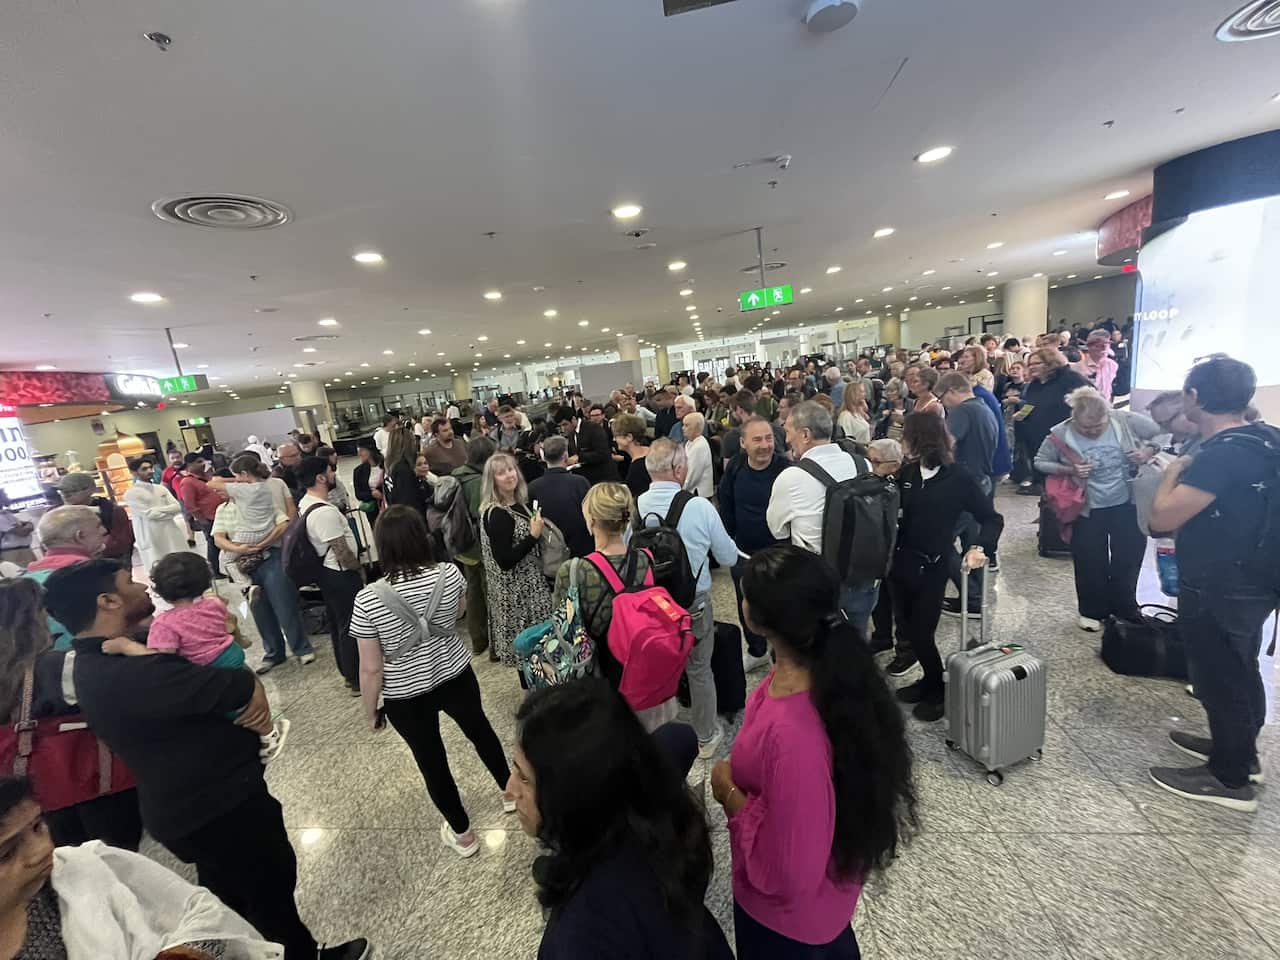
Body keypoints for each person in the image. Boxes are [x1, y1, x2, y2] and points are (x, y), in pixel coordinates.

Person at [40, 560, 370, 959]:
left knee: (233, 892)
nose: (144, 587)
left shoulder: (105, 659)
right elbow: (228, 684)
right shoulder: (133, 673)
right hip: (217, 806)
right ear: (107, 600)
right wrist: (249, 684)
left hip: (194, 803)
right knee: (267, 889)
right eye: (130, 582)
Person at [711, 545, 917, 958]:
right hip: (824, 899)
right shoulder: (823, 676)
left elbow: (790, 871)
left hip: (787, 925)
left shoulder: (793, 738)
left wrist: (728, 792)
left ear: (755, 617)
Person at [509, 681, 733, 960]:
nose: (510, 790)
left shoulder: (579, 935)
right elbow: (681, 737)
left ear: (570, 795)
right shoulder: (651, 807)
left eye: (524, 778)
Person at [1147, 358, 1279, 812]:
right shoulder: (1267, 437)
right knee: (1240, 668)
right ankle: (1239, 752)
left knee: (1220, 676)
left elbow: (1161, 520)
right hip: (1256, 579)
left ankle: (1230, 777)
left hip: (1222, 581)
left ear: (1194, 398)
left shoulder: (1222, 453)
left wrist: (1168, 477)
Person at [350, 506, 513, 857]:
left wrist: (370, 710)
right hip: (454, 673)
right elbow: (457, 615)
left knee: (431, 760)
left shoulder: (367, 599)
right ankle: (511, 792)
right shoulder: (449, 574)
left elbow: (370, 668)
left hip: (406, 694)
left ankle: (464, 834)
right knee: (481, 731)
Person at [0, 775, 289, 959]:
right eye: (6, 853)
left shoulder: (86, 865)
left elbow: (198, 909)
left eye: (38, 827)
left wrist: (185, 952)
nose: (42, 850)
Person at [0, 579, 143, 852]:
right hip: (90, 786)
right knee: (114, 856)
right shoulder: (57, 667)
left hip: (27, 797)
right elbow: (129, 689)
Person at [889, 414, 1003, 720]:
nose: (901, 440)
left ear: (919, 439)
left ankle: (939, 687)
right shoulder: (908, 473)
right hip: (901, 564)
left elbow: (992, 518)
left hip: (933, 565)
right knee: (909, 629)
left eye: (905, 435)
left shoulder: (958, 478)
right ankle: (929, 678)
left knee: (923, 631)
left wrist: (979, 547)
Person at [128, 552, 288, 760]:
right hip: (231, 656)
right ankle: (268, 730)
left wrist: (126, 647)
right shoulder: (214, 604)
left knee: (236, 710)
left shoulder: (164, 624)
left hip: (209, 670)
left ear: (160, 590)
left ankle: (267, 736)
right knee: (247, 696)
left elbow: (161, 657)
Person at [638, 440, 740, 758]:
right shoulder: (699, 507)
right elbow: (727, 556)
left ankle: (660, 730)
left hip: (653, 603)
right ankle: (706, 737)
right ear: (679, 469)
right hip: (692, 602)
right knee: (699, 668)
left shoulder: (636, 505)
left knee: (658, 666)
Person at [1033, 387, 1160, 631]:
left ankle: (1125, 606)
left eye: (1098, 427)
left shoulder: (1124, 420)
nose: (1092, 432)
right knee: (1089, 558)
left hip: (1127, 501)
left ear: (1108, 415)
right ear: (1074, 419)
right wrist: (1069, 469)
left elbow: (1163, 432)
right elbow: (1040, 461)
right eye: (1085, 428)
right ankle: (1092, 610)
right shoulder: (1059, 433)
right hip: (1086, 506)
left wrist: (1147, 451)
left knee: (1129, 556)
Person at [766, 401, 879, 636]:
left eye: (788, 431)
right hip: (865, 574)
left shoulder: (792, 477)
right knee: (856, 640)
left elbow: (777, 530)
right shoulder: (863, 463)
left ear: (805, 434)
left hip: (820, 581)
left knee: (819, 651)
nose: (786, 439)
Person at [211, 492, 313, 674]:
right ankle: (274, 652)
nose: (219, 492)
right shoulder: (222, 510)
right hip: (243, 560)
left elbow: (284, 523)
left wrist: (263, 542)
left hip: (269, 555)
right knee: (259, 607)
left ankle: (301, 648)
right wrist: (238, 548)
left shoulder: (259, 502)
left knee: (284, 604)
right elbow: (218, 538)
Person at [718, 417, 789, 674]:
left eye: (768, 438)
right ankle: (756, 650)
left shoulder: (786, 469)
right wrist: (729, 538)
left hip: (779, 554)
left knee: (782, 606)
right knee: (746, 603)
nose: (764, 445)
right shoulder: (736, 466)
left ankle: (783, 653)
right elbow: (725, 503)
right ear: (743, 443)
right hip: (743, 552)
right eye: (757, 439)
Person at [479, 452, 553, 680]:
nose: (509, 475)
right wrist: (533, 536)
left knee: (536, 648)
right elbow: (505, 561)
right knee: (529, 648)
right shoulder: (498, 514)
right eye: (501, 473)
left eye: (511, 469)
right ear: (493, 480)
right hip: (519, 595)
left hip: (529, 588)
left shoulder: (518, 504)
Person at [298, 456, 364, 691]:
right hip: (340, 574)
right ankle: (356, 675)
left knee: (339, 624)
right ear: (320, 477)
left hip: (329, 574)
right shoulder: (324, 512)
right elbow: (341, 551)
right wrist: (359, 569)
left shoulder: (306, 503)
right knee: (351, 626)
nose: (334, 474)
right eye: (330, 471)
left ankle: (349, 671)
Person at [936, 372, 1000, 613]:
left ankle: (971, 597)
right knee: (974, 543)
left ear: (952, 390)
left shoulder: (962, 411)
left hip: (963, 486)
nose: (942, 403)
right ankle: (976, 596)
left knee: (941, 539)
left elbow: (946, 445)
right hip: (980, 483)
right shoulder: (985, 407)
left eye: (942, 398)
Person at [1014, 346, 1090, 491]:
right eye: (1030, 364)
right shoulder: (1034, 384)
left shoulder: (1071, 379)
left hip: (1067, 440)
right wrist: (1022, 414)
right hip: (1040, 440)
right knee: (1045, 483)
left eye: (1037, 363)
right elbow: (1032, 404)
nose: (1032, 367)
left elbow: (1090, 404)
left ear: (1051, 363)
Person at [452, 437, 494, 656]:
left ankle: (478, 641)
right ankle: (495, 645)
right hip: (479, 546)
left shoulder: (457, 474)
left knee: (473, 593)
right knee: (490, 594)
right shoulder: (478, 481)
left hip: (462, 544)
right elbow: (483, 516)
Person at [528, 435, 593, 558]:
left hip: (551, 553)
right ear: (565, 456)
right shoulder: (580, 483)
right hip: (583, 551)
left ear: (544, 457)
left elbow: (533, 519)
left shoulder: (533, 488)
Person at [122, 457, 188, 572]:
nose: (150, 471)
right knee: (159, 567)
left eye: (150, 468)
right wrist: (168, 513)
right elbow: (149, 514)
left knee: (180, 562)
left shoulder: (160, 488)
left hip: (170, 530)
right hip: (150, 534)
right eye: (144, 469)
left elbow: (177, 507)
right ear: (134, 472)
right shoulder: (131, 493)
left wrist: (160, 512)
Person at [56, 473, 133, 566]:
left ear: (90, 490)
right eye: (62, 491)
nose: (65, 495)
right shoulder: (56, 515)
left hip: (109, 564)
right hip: (73, 566)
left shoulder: (112, 511)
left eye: (72, 491)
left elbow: (121, 543)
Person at [721, 391, 787, 468]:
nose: (732, 415)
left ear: (739, 409)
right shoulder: (779, 429)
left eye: (732, 411)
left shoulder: (731, 437)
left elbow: (727, 470)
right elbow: (789, 460)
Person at [383, 425, 430, 516]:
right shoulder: (403, 470)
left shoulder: (389, 468)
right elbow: (410, 499)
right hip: (411, 519)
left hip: (396, 515)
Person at [1072, 329, 1120, 402]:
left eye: (1107, 344)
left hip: (1106, 407)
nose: (1104, 348)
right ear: (1090, 346)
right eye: (1100, 345)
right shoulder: (1077, 368)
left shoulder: (1113, 365)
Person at [612, 413, 653, 498]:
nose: (614, 439)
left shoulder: (638, 467)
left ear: (629, 437)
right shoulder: (651, 451)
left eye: (616, 436)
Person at [682, 412, 715, 498]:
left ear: (696, 428)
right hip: (691, 492)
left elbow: (692, 476)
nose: (683, 428)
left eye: (686, 425)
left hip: (699, 494)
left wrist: (680, 491)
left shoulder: (699, 446)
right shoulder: (689, 443)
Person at [352, 440, 386, 516]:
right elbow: (358, 494)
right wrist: (372, 494)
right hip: (373, 510)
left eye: (362, 450)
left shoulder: (386, 465)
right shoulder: (358, 471)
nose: (359, 454)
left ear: (370, 450)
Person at [835, 380, 872, 446]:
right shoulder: (846, 416)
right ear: (854, 394)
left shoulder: (858, 414)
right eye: (861, 392)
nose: (864, 394)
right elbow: (846, 440)